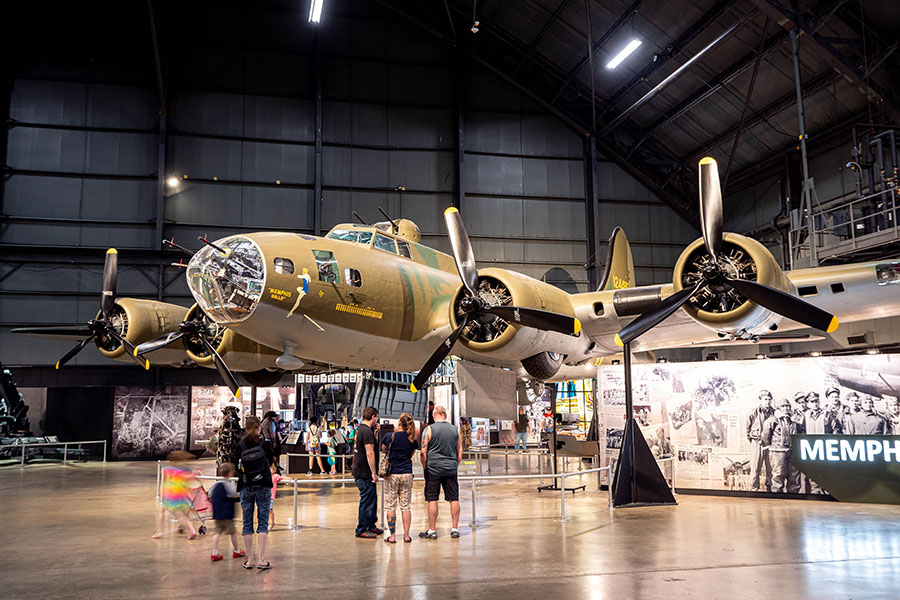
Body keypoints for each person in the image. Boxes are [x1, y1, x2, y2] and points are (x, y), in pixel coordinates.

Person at [231, 415, 274, 570]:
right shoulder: (265, 444)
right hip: (263, 486)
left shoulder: (239, 446)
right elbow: (270, 462)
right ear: (258, 428)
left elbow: (235, 465)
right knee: (263, 522)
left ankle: (250, 560)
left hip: (246, 487)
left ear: (245, 428)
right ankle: (261, 559)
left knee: (247, 523)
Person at [419, 405, 462, 540]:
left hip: (433, 469)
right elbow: (460, 450)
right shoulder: (454, 430)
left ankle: (432, 530)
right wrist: (455, 465)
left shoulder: (429, 429)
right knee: (453, 498)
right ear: (445, 415)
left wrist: (425, 467)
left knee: (432, 499)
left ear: (434, 415)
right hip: (451, 468)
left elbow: (423, 452)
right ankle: (455, 529)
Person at [382, 412, 419, 544]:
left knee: (390, 506)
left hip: (392, 474)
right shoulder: (412, 439)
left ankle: (392, 536)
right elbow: (412, 454)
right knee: (405, 506)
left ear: (399, 423)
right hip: (407, 473)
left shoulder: (389, 436)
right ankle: (407, 535)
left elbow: (384, 449)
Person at [152, 450, 201, 540]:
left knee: (161, 512)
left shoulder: (166, 470)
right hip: (181, 496)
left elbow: (165, 481)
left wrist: (161, 493)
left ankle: (159, 531)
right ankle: (192, 531)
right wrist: (194, 474)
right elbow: (187, 479)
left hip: (169, 496)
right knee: (184, 515)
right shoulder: (183, 471)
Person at [762, 398, 804, 493]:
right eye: (783, 406)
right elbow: (765, 435)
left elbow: (801, 431)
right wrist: (771, 445)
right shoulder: (773, 420)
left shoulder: (794, 419)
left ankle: (793, 497)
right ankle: (777, 497)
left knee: (794, 476)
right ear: (779, 408)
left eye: (787, 406)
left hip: (792, 451)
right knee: (778, 475)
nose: (785, 408)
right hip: (778, 452)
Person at [352, 406, 381, 538]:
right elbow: (370, 453)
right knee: (366, 500)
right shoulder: (366, 431)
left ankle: (371, 525)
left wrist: (375, 433)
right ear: (373, 417)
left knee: (372, 499)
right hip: (365, 473)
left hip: (362, 471)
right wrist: (373, 472)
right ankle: (362, 528)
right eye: (377, 417)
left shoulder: (362, 430)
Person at [209, 462, 244, 561]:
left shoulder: (216, 483)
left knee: (217, 532)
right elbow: (233, 493)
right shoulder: (229, 484)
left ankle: (214, 552)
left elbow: (210, 493)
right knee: (232, 533)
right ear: (231, 473)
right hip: (227, 514)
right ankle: (237, 550)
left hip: (217, 513)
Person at [746, 390, 774, 492]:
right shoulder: (753, 413)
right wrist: (755, 440)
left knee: (770, 468)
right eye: (765, 399)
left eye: (769, 399)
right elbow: (747, 430)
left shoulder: (774, 413)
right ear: (761, 400)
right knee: (755, 467)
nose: (768, 401)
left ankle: (770, 488)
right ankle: (754, 489)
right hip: (757, 443)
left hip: (770, 444)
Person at [269, 464, 284, 529]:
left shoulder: (275, 476)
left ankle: (271, 523)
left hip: (270, 497)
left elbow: (282, 478)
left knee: (270, 510)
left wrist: (289, 479)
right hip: (261, 496)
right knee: (258, 510)